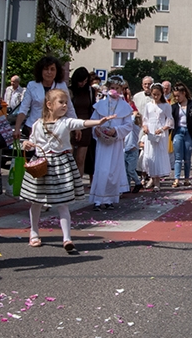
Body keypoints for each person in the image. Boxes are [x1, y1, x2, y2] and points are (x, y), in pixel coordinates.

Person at [21, 90, 115, 251]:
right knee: (36, 202)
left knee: (63, 203)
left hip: (60, 165)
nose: (65, 105)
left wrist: (98, 122)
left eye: (66, 102)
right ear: (49, 105)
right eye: (61, 102)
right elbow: (31, 141)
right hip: (42, 165)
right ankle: (34, 232)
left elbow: (81, 123)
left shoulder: (65, 122)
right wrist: (26, 144)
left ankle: (67, 238)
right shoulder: (37, 124)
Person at [89, 79, 133, 209]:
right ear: (108, 88)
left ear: (121, 90)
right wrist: (96, 129)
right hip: (102, 144)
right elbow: (93, 121)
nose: (115, 90)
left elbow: (128, 125)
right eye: (112, 87)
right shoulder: (100, 104)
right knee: (101, 170)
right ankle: (98, 199)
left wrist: (116, 131)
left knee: (113, 171)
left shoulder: (125, 107)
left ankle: (109, 199)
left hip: (115, 143)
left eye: (117, 88)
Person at [14, 56, 76, 138]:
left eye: (52, 69)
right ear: (41, 71)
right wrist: (17, 128)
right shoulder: (32, 85)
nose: (49, 72)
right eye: (46, 69)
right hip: (34, 128)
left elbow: (69, 107)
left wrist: (76, 126)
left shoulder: (61, 86)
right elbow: (24, 108)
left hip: (55, 129)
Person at [141, 83, 173, 191]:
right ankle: (151, 177)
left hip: (160, 132)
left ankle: (157, 181)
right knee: (150, 155)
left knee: (158, 155)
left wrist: (163, 129)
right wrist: (145, 127)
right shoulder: (148, 105)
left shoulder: (166, 106)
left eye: (158, 94)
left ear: (161, 94)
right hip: (150, 131)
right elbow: (145, 119)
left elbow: (170, 120)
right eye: (154, 94)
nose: (155, 96)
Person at [171, 82, 192, 187]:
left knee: (187, 158)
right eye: (175, 96)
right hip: (178, 131)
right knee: (178, 157)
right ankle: (176, 179)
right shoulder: (174, 107)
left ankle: (187, 178)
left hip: (189, 132)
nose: (176, 98)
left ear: (184, 93)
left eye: (178, 96)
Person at [69, 67, 96, 178]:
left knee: (80, 159)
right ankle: (68, 183)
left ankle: (78, 185)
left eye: (85, 81)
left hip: (86, 125)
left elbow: (92, 108)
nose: (82, 84)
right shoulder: (69, 91)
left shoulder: (90, 91)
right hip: (71, 124)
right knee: (69, 157)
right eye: (81, 81)